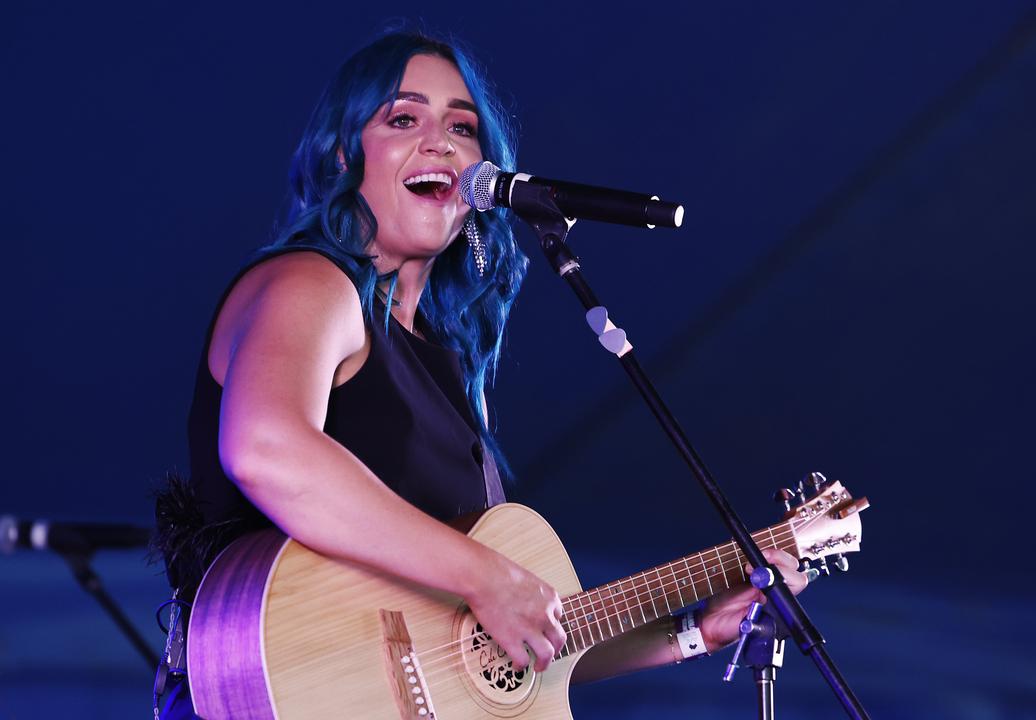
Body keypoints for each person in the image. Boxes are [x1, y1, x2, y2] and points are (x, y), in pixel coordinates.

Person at [155, 28, 808, 718]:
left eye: (462, 127)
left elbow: (496, 656)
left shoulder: (448, 364)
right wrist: (483, 573)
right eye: (404, 118)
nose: (441, 143)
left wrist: (695, 631)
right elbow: (266, 449)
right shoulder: (308, 285)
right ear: (344, 155)